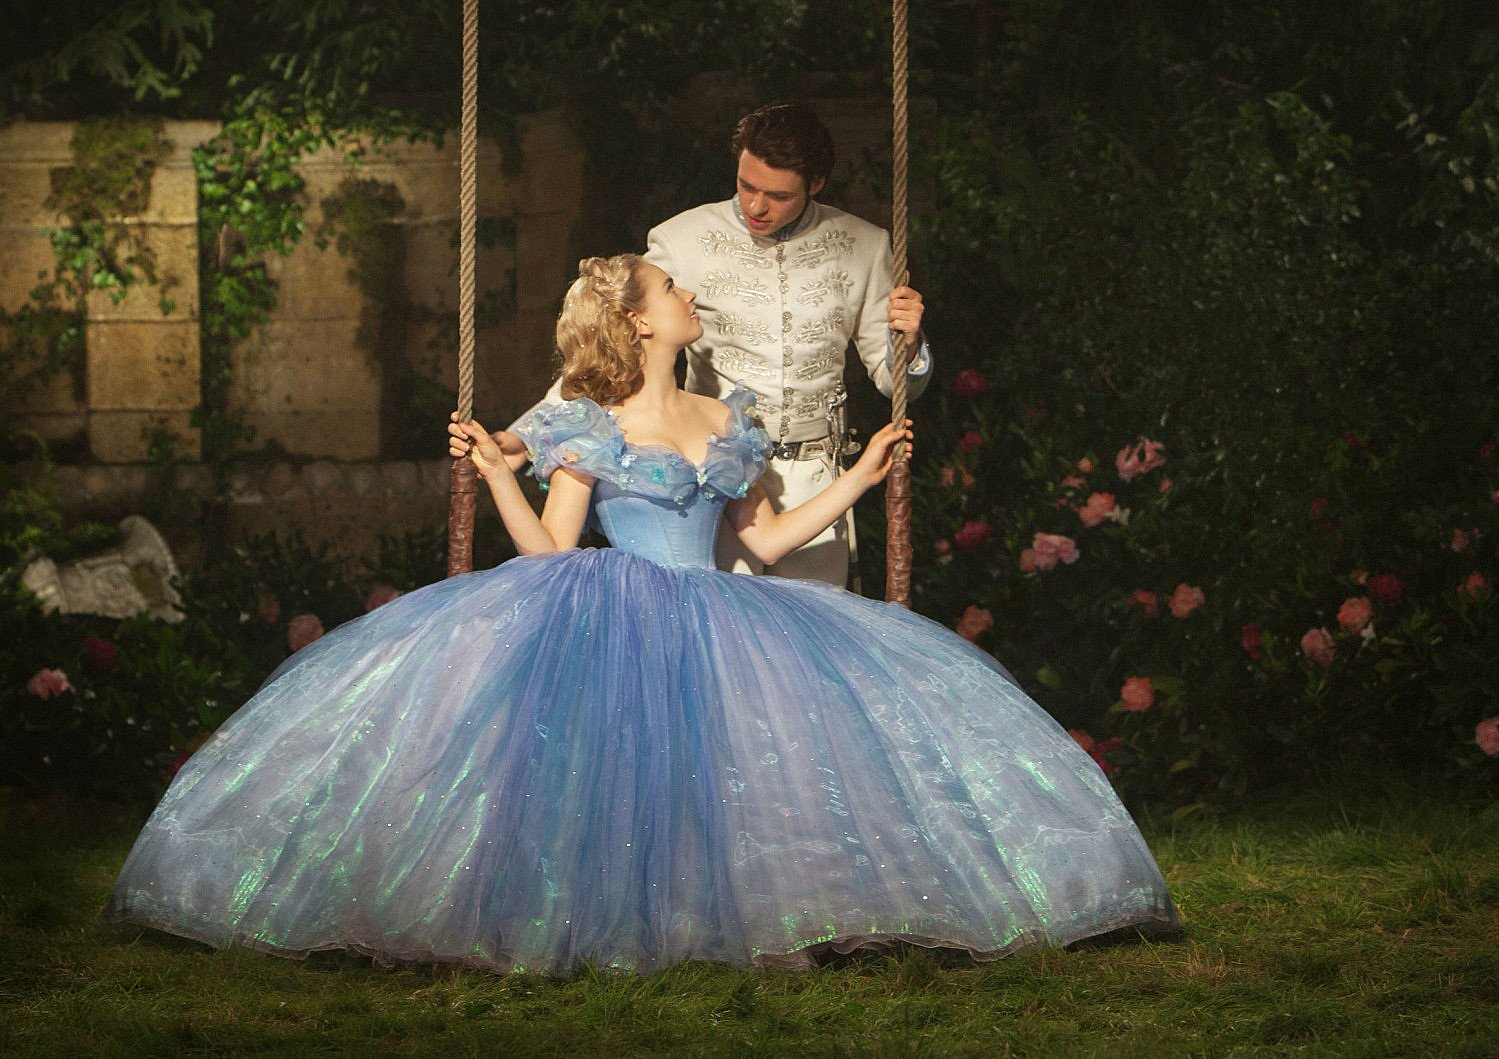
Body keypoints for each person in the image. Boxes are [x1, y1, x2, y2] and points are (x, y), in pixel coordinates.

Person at [105, 255, 1179, 976]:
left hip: (719, 609)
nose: (686, 295)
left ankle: (728, 916)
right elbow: (549, 550)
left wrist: (858, 476)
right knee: (604, 775)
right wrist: (499, 473)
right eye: (670, 287)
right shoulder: (587, 420)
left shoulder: (724, 416)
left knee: (735, 776)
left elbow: (761, 543)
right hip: (612, 603)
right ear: (636, 318)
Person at [495, 102, 932, 588]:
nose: (756, 207)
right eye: (746, 186)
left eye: (778, 195)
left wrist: (909, 344)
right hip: (706, 479)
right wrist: (525, 435)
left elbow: (896, 383)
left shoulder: (866, 246)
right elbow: (611, 336)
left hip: (814, 475)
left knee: (809, 629)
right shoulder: (682, 238)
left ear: (816, 184)